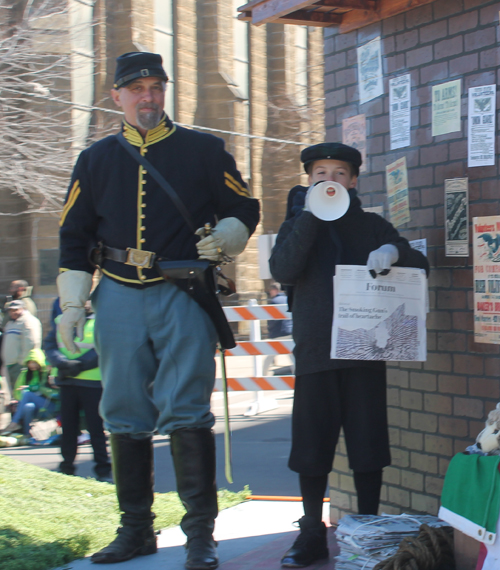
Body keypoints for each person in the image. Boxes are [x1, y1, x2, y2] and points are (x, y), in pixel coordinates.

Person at [56, 52, 259, 569]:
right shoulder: (95, 160)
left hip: (182, 292)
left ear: (164, 91)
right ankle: (136, 532)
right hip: (119, 293)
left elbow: (244, 206)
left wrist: (228, 235)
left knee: (188, 411)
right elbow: (74, 235)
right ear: (117, 97)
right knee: (123, 413)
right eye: (137, 88)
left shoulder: (203, 150)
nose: (148, 97)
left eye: (155, 87)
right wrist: (72, 305)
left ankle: (199, 537)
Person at [269, 142, 430, 568]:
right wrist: (308, 217)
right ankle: (310, 533)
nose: (330, 180)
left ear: (354, 180)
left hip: (364, 355)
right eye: (320, 172)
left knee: (368, 446)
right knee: (311, 448)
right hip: (316, 353)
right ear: (308, 180)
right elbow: (283, 269)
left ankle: (368, 530)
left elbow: (417, 263)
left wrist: (393, 252)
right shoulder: (297, 224)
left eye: (339, 173)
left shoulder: (371, 226)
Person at [44, 298, 112, 483]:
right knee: (68, 429)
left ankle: (103, 469)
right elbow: (49, 345)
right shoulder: (61, 321)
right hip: (68, 383)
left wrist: (78, 366)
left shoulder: (100, 322)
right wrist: (62, 363)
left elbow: (102, 348)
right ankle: (66, 466)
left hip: (92, 383)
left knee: (96, 429)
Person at [0, 348, 58, 436]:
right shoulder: (25, 374)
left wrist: (34, 388)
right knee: (28, 406)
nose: (32, 365)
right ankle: (27, 434)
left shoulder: (46, 373)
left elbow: (52, 392)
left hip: (50, 404)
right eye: (30, 363)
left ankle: (14, 423)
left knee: (28, 394)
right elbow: (17, 392)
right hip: (34, 404)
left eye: (35, 362)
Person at [1, 299, 42, 399]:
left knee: (20, 394)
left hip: (20, 365)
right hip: (9, 364)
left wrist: (22, 362)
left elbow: (32, 343)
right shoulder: (11, 323)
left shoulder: (29, 321)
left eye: (16, 310)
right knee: (12, 395)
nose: (13, 312)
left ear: (23, 308)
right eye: (11, 310)